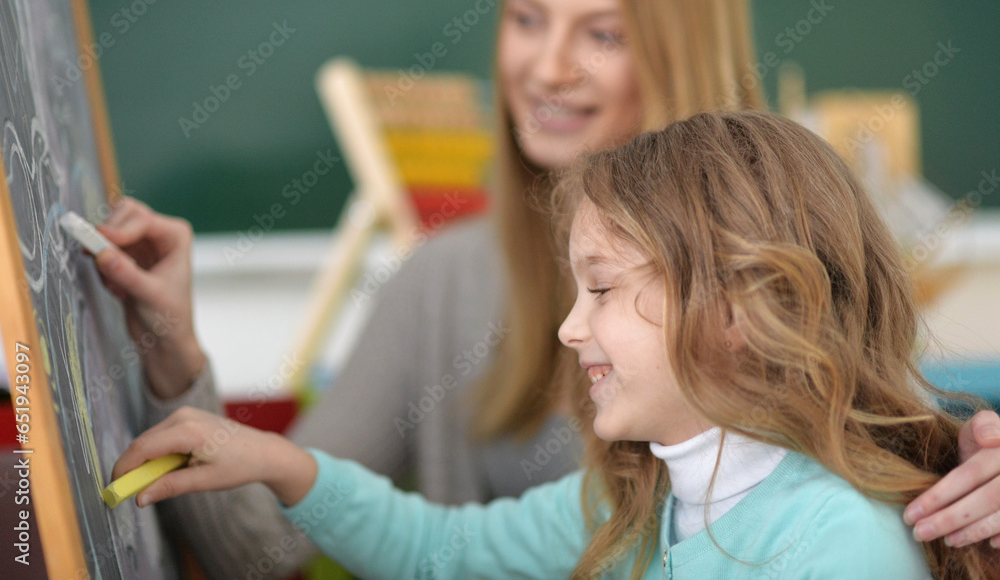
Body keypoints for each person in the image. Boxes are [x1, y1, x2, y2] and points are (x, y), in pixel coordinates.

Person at [92, 0, 1000, 577]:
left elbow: (899, 459)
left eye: (602, 33)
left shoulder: (820, 501)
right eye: (525, 19)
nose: (548, 67)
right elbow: (292, 548)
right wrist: (172, 350)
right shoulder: (449, 290)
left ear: (746, 309)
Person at [112, 111, 999, 579]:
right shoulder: (628, 495)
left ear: (744, 307)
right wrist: (281, 463)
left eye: (604, 288)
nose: (571, 327)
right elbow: (439, 553)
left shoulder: (839, 548)